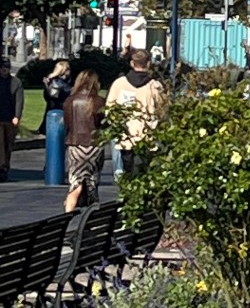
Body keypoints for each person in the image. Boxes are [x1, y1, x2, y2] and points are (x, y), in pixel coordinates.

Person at [106, 49, 163, 177]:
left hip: (125, 135)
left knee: (127, 170)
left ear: (132, 63)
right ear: (148, 64)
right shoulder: (155, 86)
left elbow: (109, 108)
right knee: (145, 173)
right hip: (147, 135)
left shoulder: (119, 84)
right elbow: (163, 112)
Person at [63, 70, 106, 211]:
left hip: (76, 146)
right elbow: (104, 123)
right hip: (94, 145)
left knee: (75, 183)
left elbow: (67, 123)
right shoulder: (99, 101)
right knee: (92, 183)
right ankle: (92, 216)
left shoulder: (70, 100)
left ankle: (67, 214)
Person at [0, 57, 23, 182]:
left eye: (7, 67)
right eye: (2, 67)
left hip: (9, 117)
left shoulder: (15, 82)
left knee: (8, 144)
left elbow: (19, 100)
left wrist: (17, 116)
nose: (4, 70)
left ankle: (5, 167)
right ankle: (1, 168)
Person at [37, 60, 72, 134]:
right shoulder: (55, 81)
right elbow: (53, 97)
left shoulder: (64, 80)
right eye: (67, 69)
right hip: (57, 109)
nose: (69, 70)